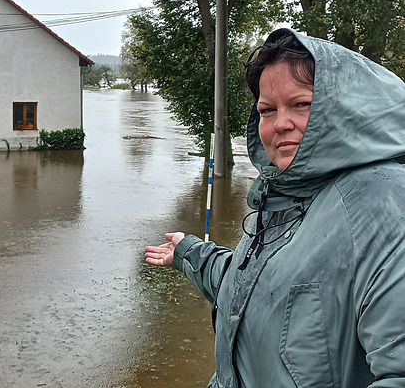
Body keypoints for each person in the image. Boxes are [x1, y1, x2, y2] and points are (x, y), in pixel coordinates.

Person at [145, 28, 405, 387]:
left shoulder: (384, 200)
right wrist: (189, 253)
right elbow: (260, 290)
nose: (280, 124)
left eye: (301, 104)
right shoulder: (282, 195)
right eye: (267, 110)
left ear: (344, 107)